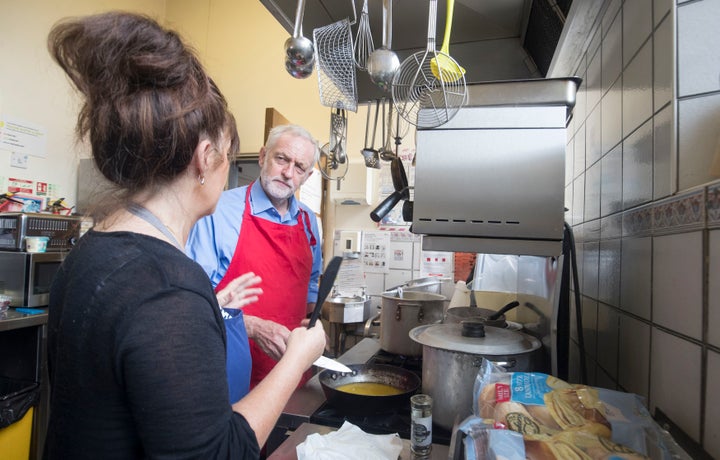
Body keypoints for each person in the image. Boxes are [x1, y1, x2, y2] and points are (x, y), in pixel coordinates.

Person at [44, 11, 326, 459]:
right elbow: (220, 453)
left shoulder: (91, 252)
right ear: (205, 156)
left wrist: (214, 309)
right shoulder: (171, 289)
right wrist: (298, 358)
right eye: (231, 157)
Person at [187, 124, 322, 395]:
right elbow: (190, 303)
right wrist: (252, 327)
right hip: (231, 375)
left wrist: (314, 325)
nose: (287, 172)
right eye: (281, 158)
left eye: (299, 167)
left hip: (292, 374)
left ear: (306, 177)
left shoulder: (309, 222)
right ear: (263, 156)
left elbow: (310, 285)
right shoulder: (218, 211)